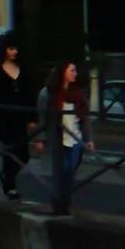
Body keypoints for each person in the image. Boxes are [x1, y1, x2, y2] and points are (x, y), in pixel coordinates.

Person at [0, 35, 34, 200]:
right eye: (10, 49)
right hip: (1, 116)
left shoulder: (23, 70)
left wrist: (33, 118)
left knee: (24, 154)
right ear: (4, 50)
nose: (14, 52)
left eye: (16, 49)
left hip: (19, 116)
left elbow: (30, 95)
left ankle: (6, 176)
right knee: (10, 149)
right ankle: (10, 184)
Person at [46, 58, 91, 214]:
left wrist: (89, 139)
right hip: (60, 140)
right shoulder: (52, 93)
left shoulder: (77, 93)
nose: (75, 74)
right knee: (63, 171)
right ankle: (59, 201)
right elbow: (46, 117)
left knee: (70, 172)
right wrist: (42, 139)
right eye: (72, 70)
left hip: (76, 139)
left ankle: (64, 201)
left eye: (75, 70)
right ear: (63, 72)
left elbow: (85, 118)